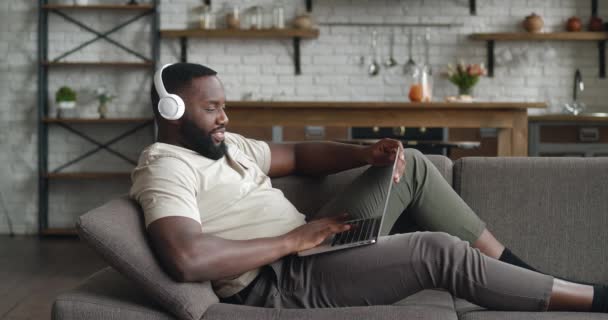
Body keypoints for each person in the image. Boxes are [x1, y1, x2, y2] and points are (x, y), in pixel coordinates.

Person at [129, 63, 608, 312]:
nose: (224, 117)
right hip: (276, 282)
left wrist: (365, 154)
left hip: (310, 248)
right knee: (437, 251)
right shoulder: (166, 166)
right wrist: (294, 240)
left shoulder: (224, 144)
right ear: (171, 111)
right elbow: (186, 258)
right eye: (212, 108)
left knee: (415, 163)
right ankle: (593, 300)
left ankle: (522, 272)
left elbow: (297, 154)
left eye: (223, 106)